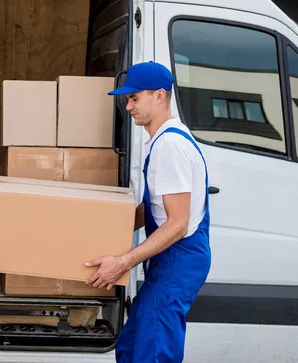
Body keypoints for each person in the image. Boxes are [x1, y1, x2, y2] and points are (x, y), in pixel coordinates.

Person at [85, 61, 212, 362]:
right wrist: (103, 231)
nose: (128, 107)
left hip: (177, 261)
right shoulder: (163, 140)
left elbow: (178, 224)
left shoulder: (170, 145)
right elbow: (153, 208)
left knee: (151, 353)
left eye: (134, 98)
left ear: (158, 96)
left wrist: (123, 262)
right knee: (130, 347)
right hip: (169, 261)